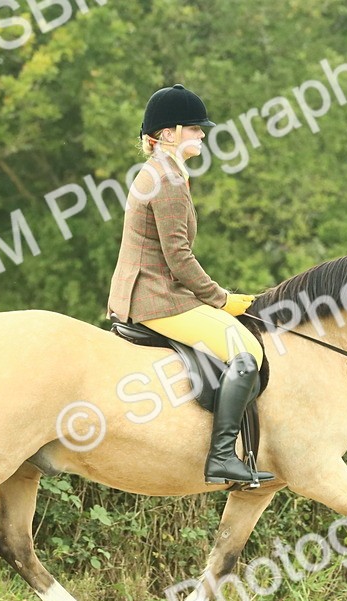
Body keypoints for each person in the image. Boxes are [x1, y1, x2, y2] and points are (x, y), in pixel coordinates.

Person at [109, 84, 274, 486]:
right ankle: (221, 457)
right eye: (195, 129)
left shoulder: (161, 173)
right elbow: (178, 257)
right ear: (168, 134)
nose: (202, 135)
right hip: (155, 297)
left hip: (150, 289)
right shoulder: (167, 181)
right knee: (246, 350)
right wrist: (222, 299)